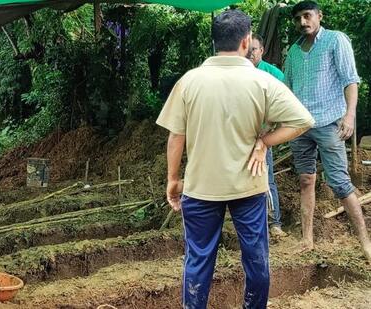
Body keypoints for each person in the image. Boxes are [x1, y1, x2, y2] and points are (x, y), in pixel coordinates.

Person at [156, 10, 314, 308]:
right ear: (246, 41)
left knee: (198, 260)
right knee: (256, 260)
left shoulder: (190, 81)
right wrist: (264, 142)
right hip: (248, 187)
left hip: (201, 188)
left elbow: (176, 137)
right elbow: (303, 120)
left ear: (215, 41)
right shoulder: (261, 82)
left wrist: (173, 179)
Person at [284, 1, 371, 260]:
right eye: (298, 17)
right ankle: (307, 239)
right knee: (305, 180)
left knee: (340, 183)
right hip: (300, 126)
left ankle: (365, 243)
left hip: (330, 122)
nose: (303, 22)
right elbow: (286, 90)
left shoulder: (335, 40)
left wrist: (350, 115)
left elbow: (350, 80)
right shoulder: (294, 53)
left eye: (307, 16)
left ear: (319, 16)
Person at [249, 34, 288, 237]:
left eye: (254, 49)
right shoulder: (239, 73)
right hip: (240, 136)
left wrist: (271, 127)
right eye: (248, 50)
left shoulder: (273, 74)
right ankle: (250, 225)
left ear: (262, 50)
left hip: (263, 137)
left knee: (266, 178)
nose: (250, 54)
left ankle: (274, 223)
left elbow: (285, 103)